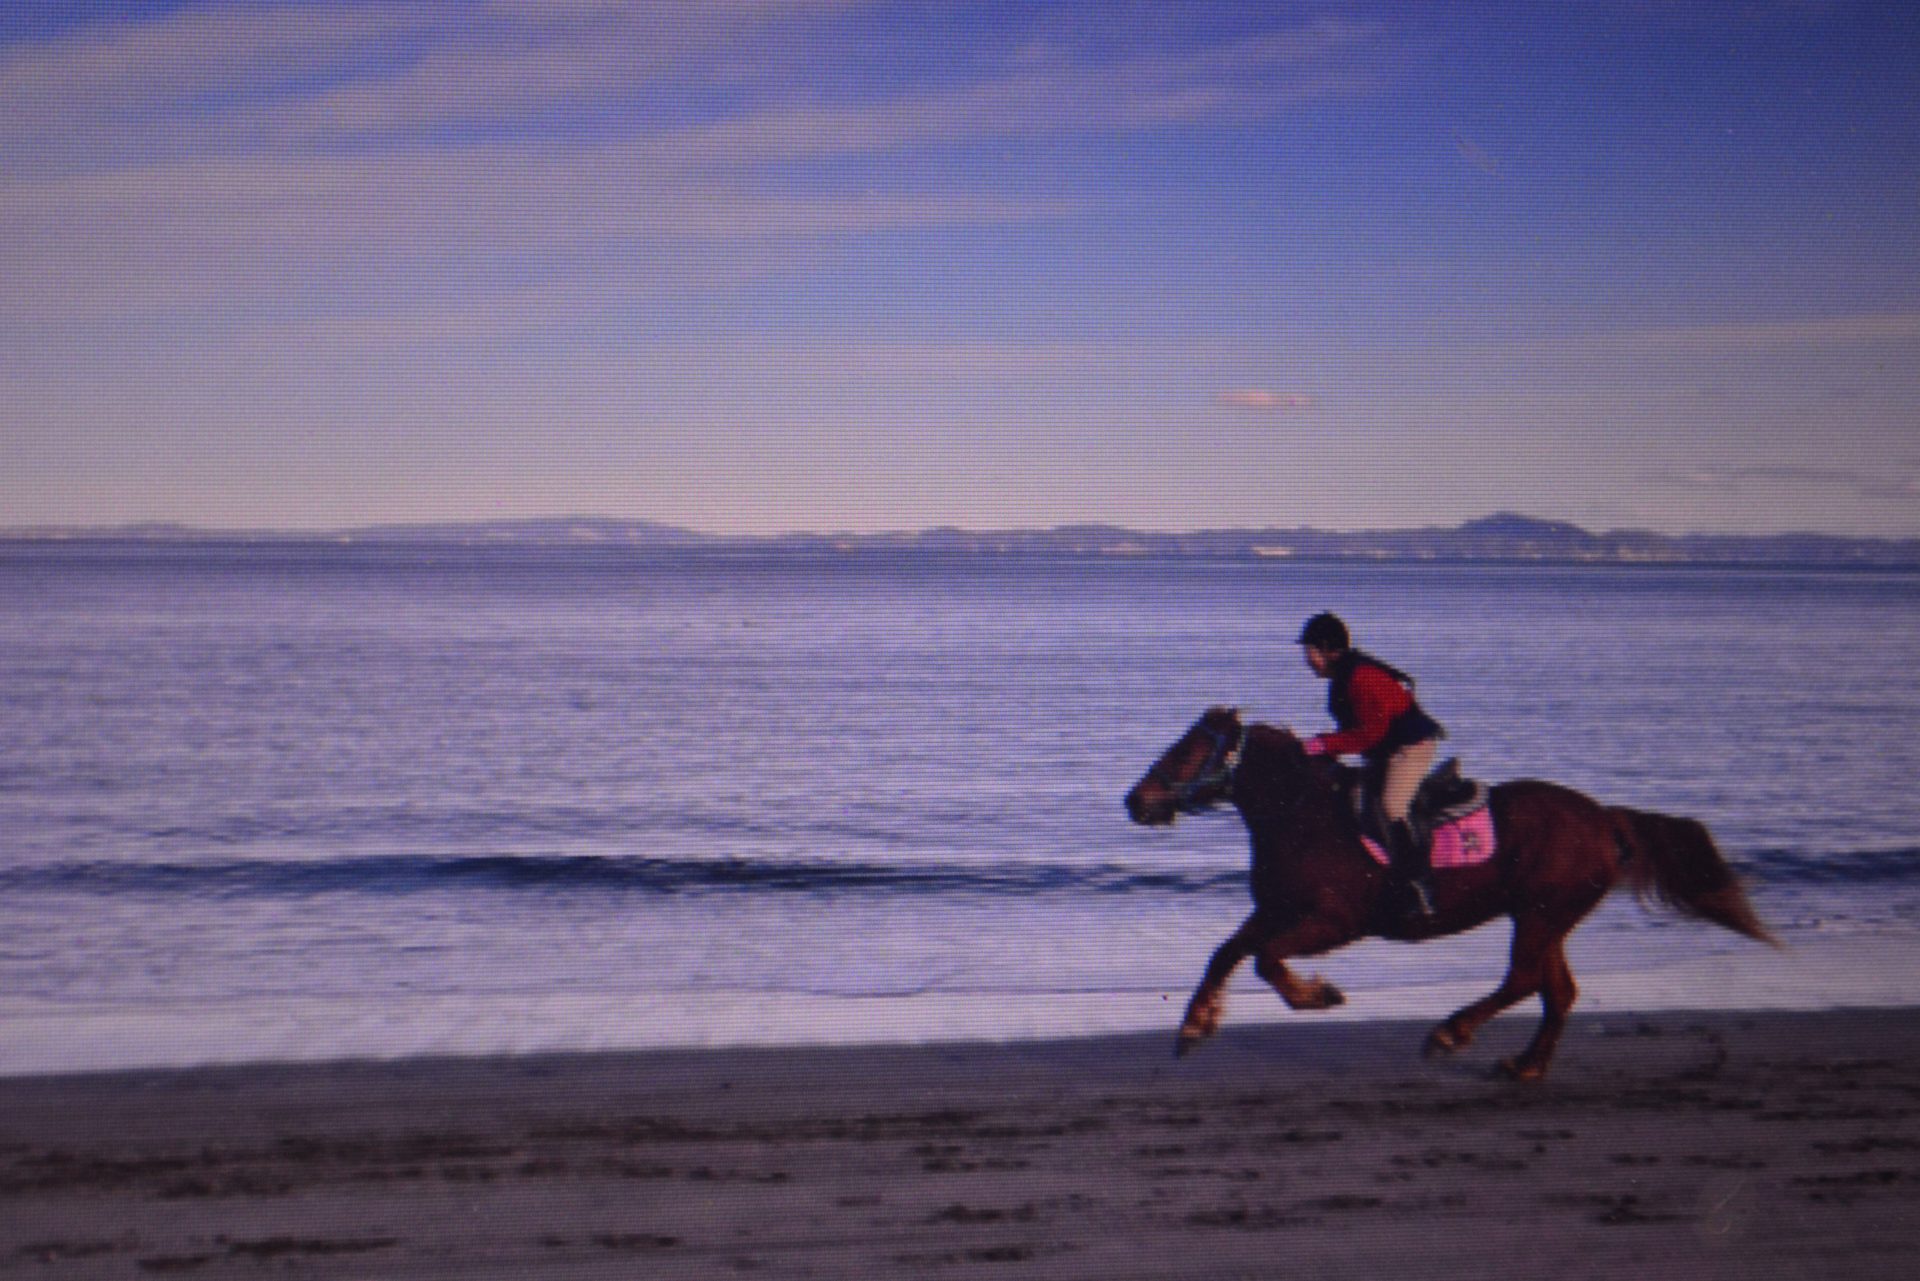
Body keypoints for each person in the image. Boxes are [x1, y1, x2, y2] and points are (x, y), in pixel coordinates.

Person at [1296, 611, 1445, 919]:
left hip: (1410, 747)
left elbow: (1370, 733)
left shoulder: (1361, 678)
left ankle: (1419, 884)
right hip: (1385, 749)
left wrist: (1323, 744)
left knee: (1392, 806)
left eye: (1308, 651)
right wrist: (1325, 748)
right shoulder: (1344, 676)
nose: (1306, 660)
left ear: (1326, 649)